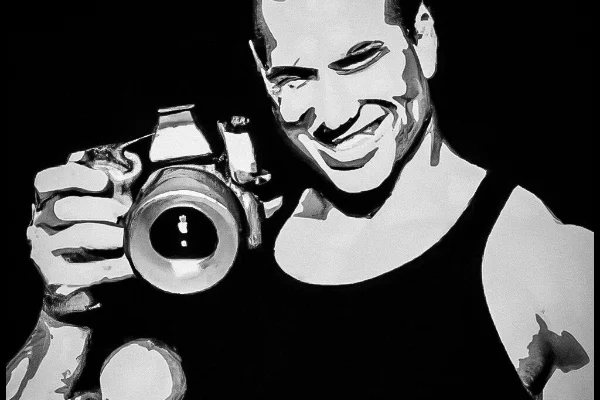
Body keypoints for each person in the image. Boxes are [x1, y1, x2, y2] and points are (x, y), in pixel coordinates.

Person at [6, 1, 593, 399]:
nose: (332, 114)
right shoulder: (211, 243)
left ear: (424, 37)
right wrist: (61, 315)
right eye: (295, 77)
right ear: (262, 74)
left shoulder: (543, 260)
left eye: (359, 61)